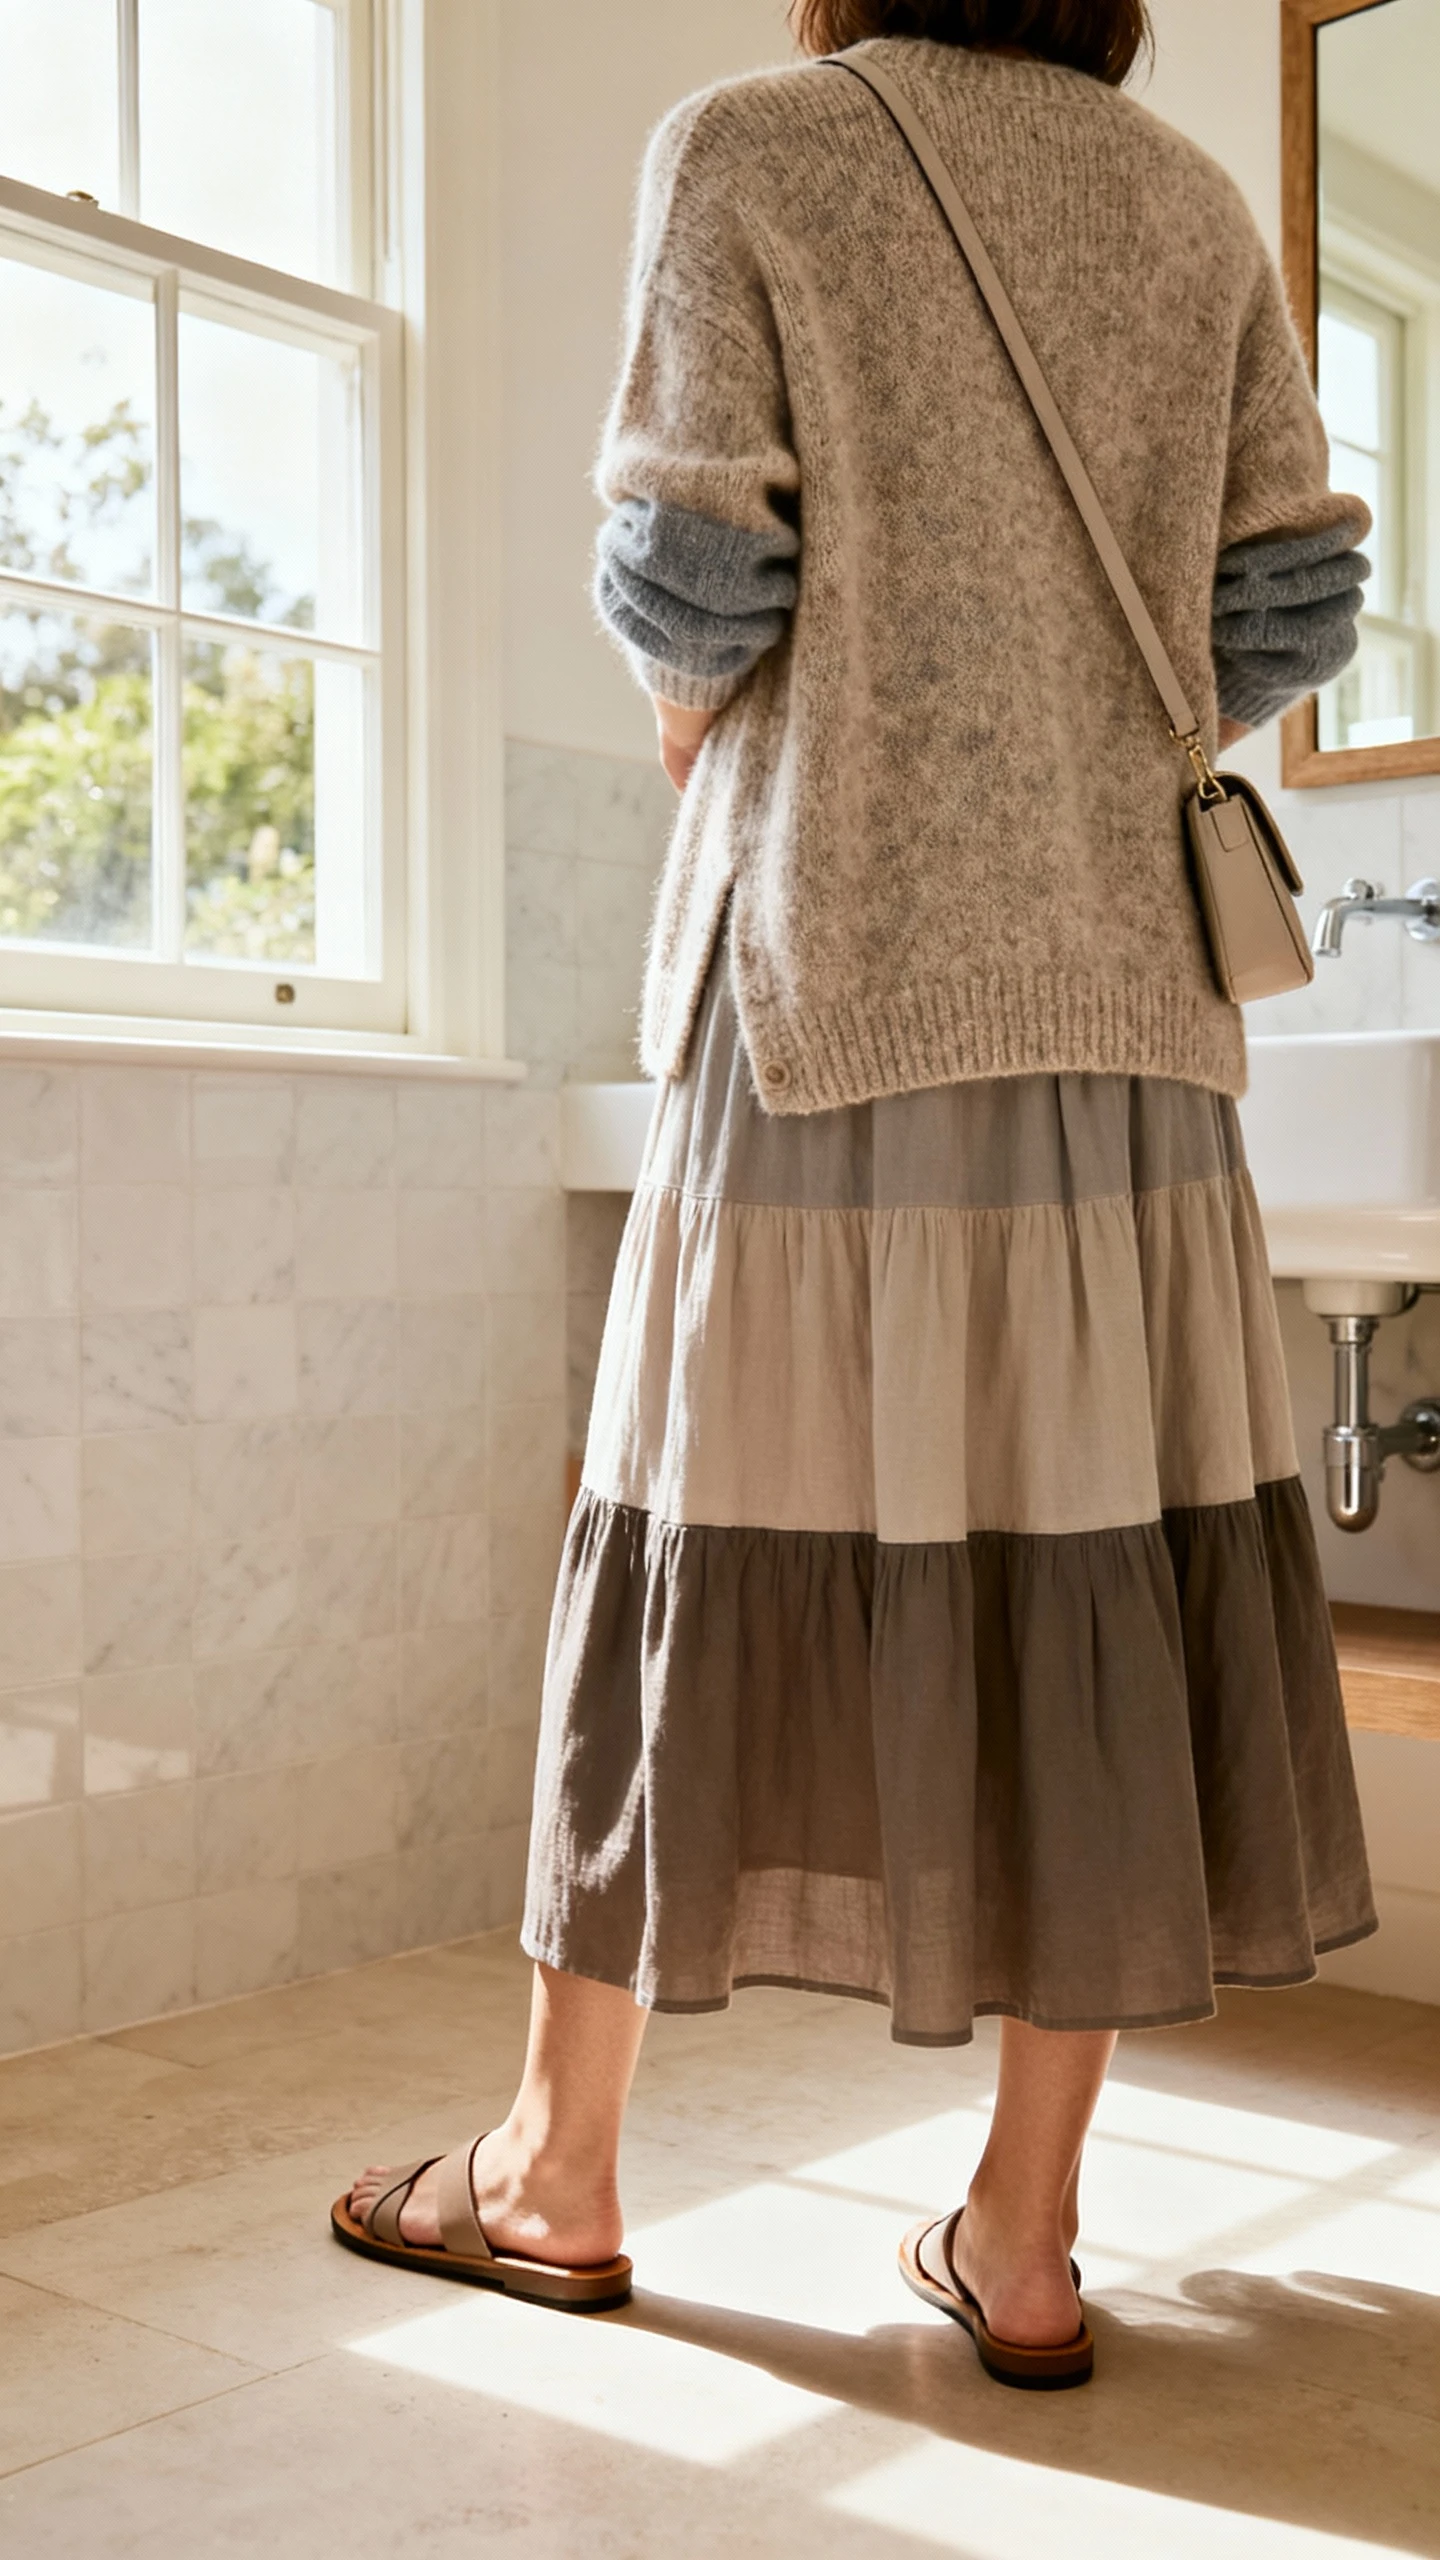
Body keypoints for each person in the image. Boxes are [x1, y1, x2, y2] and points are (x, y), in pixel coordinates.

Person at [339, 0, 1377, 2389]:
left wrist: (750, 716)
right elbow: (1288, 611)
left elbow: (696, 585)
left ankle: (556, 2169)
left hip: (829, 988)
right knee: (1094, 1561)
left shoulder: (755, 147)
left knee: (691, 1538)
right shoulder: (1194, 199)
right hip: (1123, 1017)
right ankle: (1026, 2238)